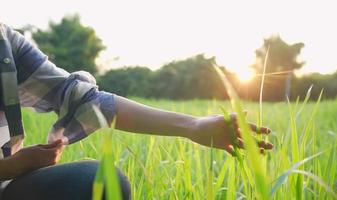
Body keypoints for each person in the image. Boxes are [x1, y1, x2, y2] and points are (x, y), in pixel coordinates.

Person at [0, 23, 273, 200]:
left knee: (101, 181)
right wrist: (11, 166)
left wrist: (193, 126)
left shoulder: (5, 42)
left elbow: (84, 99)